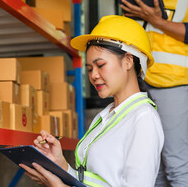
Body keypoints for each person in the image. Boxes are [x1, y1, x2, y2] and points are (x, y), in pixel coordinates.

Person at [46, 0, 188, 186]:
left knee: (176, 165)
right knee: (152, 171)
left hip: (172, 82)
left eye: (99, 65)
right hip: (136, 80)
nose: (94, 74)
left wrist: (158, 21)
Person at [20, 15, 164, 187]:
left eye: (100, 65)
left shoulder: (143, 118)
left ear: (128, 61)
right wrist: (62, 166)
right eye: (89, 69)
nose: (93, 75)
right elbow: (98, 181)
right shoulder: (106, 116)